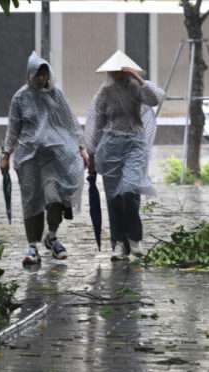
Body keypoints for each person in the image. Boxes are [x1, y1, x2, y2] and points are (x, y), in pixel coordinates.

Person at [0, 51, 88, 266]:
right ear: (30, 75)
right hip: (28, 157)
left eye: (44, 74)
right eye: (37, 75)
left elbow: (70, 122)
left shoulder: (56, 96)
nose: (41, 79)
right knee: (32, 202)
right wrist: (6, 154)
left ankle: (53, 236)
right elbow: (13, 129)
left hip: (54, 157)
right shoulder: (20, 98)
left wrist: (82, 148)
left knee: (54, 199)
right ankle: (32, 246)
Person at [85, 50, 165, 261]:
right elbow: (97, 124)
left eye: (123, 71)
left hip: (135, 144)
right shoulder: (104, 93)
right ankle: (119, 242)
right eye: (116, 71)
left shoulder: (137, 88)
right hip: (110, 147)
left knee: (129, 190)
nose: (119, 75)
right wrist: (92, 155)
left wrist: (138, 78)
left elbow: (155, 100)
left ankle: (135, 238)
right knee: (114, 196)